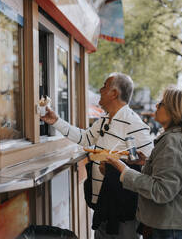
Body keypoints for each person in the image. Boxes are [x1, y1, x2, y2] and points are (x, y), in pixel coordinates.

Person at [41, 72, 153, 239]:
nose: (100, 90)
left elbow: (151, 165)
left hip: (123, 210)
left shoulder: (134, 124)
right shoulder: (104, 119)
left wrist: (118, 167)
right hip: (103, 205)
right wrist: (56, 121)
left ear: (114, 93)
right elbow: (84, 138)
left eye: (104, 87)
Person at [102, 88, 182, 239]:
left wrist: (123, 170)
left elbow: (162, 190)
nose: (156, 106)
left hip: (171, 229)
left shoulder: (172, 141)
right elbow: (179, 176)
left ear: (176, 110)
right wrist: (147, 163)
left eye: (161, 103)